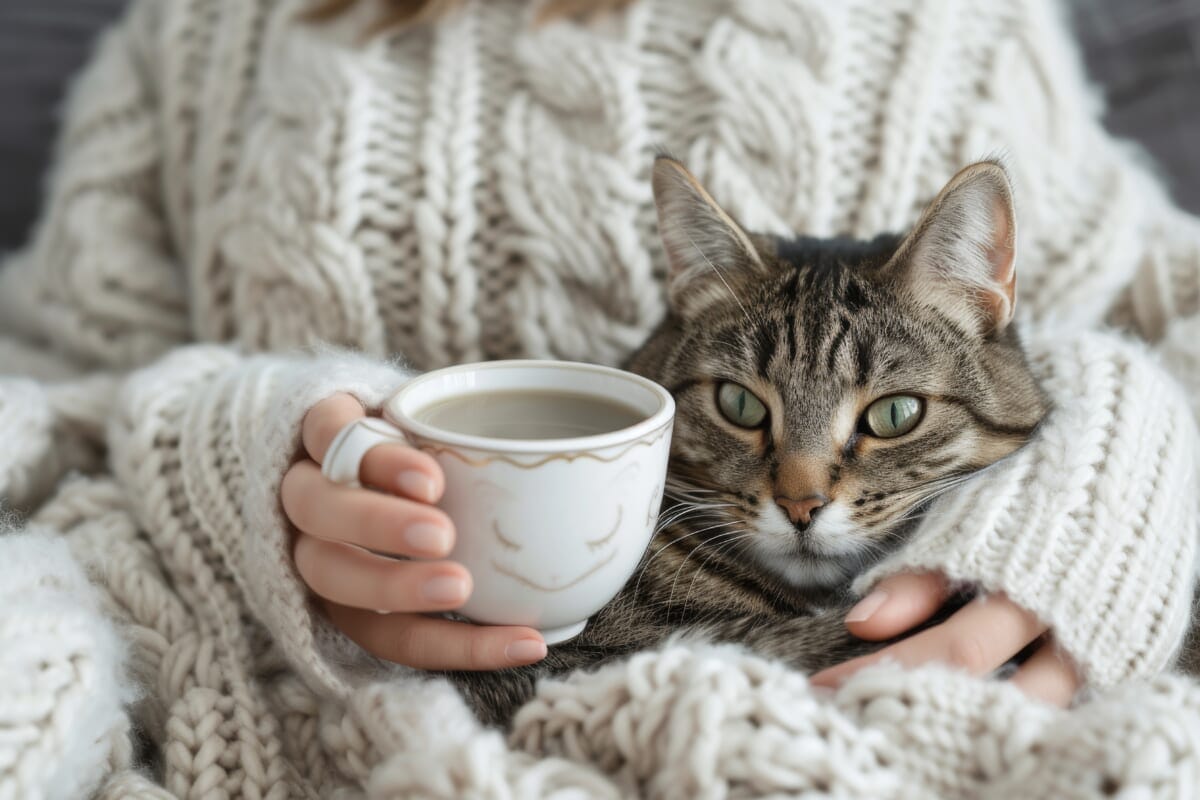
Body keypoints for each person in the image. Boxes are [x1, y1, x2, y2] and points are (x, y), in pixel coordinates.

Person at [0, 0, 1196, 796]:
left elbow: (1167, 310)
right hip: (284, 698)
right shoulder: (207, 27)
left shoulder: (962, 19)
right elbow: (39, 396)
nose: (800, 489)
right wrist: (242, 462)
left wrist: (1110, 493)